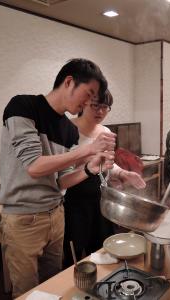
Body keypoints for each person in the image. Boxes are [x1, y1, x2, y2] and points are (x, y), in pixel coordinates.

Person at [0, 58, 117, 298]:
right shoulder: (23, 107)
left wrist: (89, 169)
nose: (90, 102)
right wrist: (87, 150)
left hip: (56, 214)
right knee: (27, 291)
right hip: (23, 218)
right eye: (88, 94)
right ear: (69, 81)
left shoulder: (68, 129)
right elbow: (33, 166)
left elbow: (61, 181)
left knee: (52, 284)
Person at [62, 90, 146, 268]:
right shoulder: (68, 128)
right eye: (95, 105)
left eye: (105, 107)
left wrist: (123, 173)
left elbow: (107, 164)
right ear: (83, 103)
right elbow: (62, 169)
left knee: (103, 246)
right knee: (73, 250)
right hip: (75, 196)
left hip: (101, 196)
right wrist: (89, 156)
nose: (100, 111)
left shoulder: (105, 131)